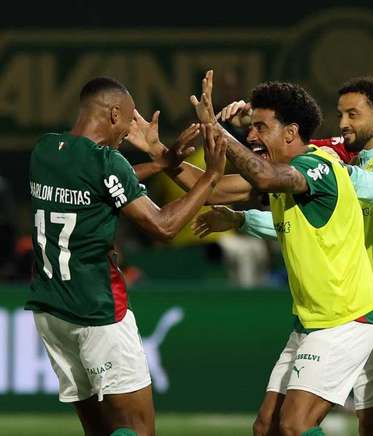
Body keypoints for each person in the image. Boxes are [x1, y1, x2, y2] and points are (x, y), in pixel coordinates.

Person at [194, 77, 373, 436]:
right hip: (347, 309)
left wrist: (334, 173)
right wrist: (240, 216)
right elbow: (289, 220)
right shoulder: (319, 167)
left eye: (352, 114)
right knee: (348, 425)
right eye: (340, 114)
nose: (342, 123)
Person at [26, 76, 227, 436]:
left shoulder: (46, 150)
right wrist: (211, 176)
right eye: (131, 119)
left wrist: (163, 164)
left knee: (100, 431)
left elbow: (102, 182)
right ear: (114, 114)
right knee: (137, 429)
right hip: (98, 311)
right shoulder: (107, 162)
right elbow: (164, 226)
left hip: (51, 312)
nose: (129, 131)